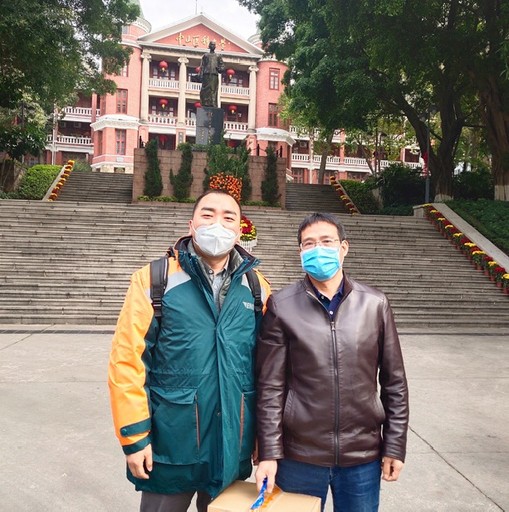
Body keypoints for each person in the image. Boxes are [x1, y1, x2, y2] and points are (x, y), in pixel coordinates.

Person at [108, 189, 271, 512]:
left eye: (228, 217)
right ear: (191, 225)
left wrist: (262, 437)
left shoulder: (256, 288)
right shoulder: (154, 280)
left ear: (239, 229)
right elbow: (127, 361)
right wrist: (134, 437)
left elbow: (266, 369)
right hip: (172, 444)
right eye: (207, 215)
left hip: (231, 444)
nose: (217, 224)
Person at [254, 212, 409, 512]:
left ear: (343, 247)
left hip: (362, 456)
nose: (318, 249)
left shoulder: (374, 304)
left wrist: (394, 445)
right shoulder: (282, 306)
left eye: (327, 241)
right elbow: (270, 386)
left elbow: (395, 383)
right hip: (299, 456)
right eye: (309, 243)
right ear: (300, 251)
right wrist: (269, 453)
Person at [199, 41, 225, 108]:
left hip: (214, 75)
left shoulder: (218, 56)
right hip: (206, 74)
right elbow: (202, 66)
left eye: (214, 45)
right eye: (211, 45)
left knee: (213, 89)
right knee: (205, 90)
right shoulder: (206, 55)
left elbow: (222, 66)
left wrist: (219, 69)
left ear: (215, 47)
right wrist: (201, 75)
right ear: (209, 46)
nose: (213, 46)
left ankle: (213, 103)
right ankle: (205, 103)